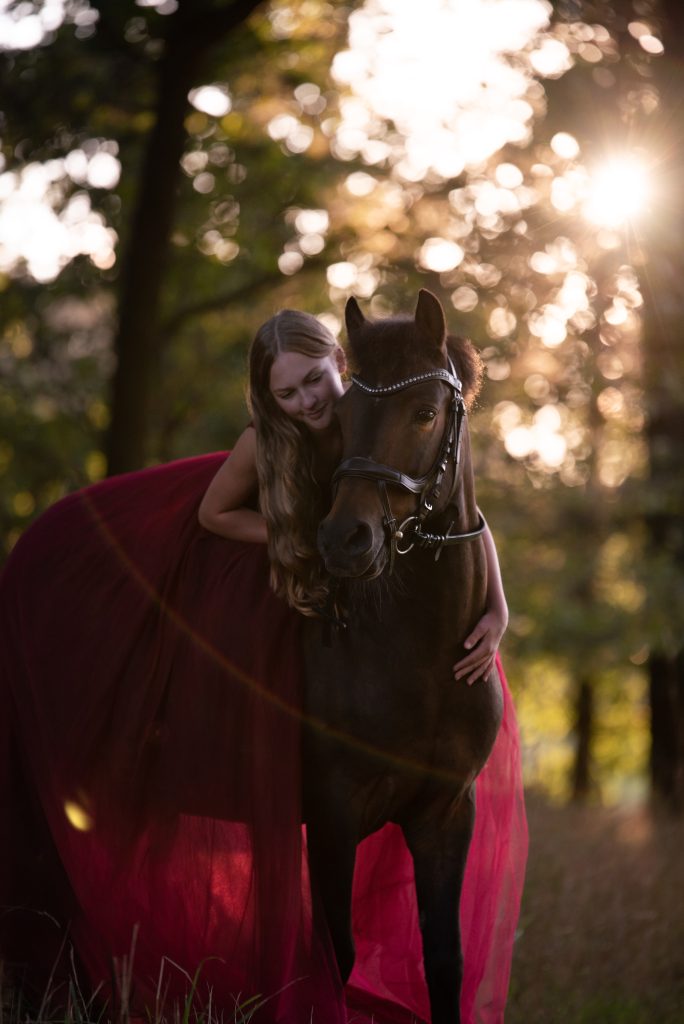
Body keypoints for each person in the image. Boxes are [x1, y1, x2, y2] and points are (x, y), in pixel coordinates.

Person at [0, 307, 526, 1024]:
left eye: (314, 381)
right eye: (289, 393)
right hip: (285, 574)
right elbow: (215, 515)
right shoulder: (266, 439)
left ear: (339, 363)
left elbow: (462, 509)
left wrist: (497, 607)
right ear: (269, 400)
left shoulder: (366, 409)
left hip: (355, 562)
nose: (308, 401)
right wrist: (292, 534)